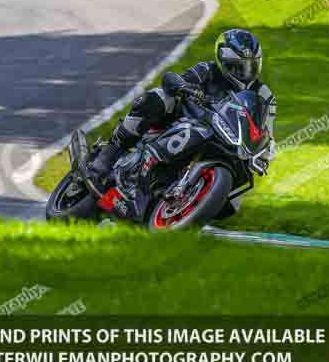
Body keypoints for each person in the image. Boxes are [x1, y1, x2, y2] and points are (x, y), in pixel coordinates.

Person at [90, 28, 276, 219]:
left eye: (251, 66)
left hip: (229, 139)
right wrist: (183, 86)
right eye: (239, 67)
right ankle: (108, 154)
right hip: (188, 119)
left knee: (233, 204)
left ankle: (182, 202)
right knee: (159, 97)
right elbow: (173, 80)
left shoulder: (264, 94)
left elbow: (266, 131)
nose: (246, 73)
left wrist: (263, 154)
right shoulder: (208, 70)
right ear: (224, 62)